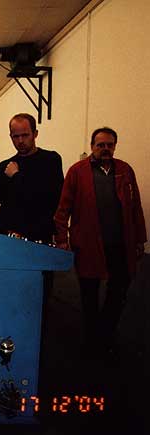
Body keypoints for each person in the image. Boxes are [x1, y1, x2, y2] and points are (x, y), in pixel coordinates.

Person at [54, 127, 146, 350]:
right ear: (92, 146)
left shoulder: (125, 170)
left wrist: (139, 239)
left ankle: (106, 334)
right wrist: (62, 238)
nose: (105, 149)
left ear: (115, 146)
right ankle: (91, 340)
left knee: (119, 292)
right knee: (89, 294)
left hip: (120, 245)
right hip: (88, 245)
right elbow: (63, 208)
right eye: (100, 145)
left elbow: (135, 207)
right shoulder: (77, 172)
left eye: (109, 145)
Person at [0, 113, 64, 243]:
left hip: (37, 239)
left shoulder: (50, 160)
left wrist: (16, 176)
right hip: (7, 239)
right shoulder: (5, 166)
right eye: (16, 136)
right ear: (11, 137)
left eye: (25, 135)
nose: (20, 141)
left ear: (35, 134)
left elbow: (46, 199)